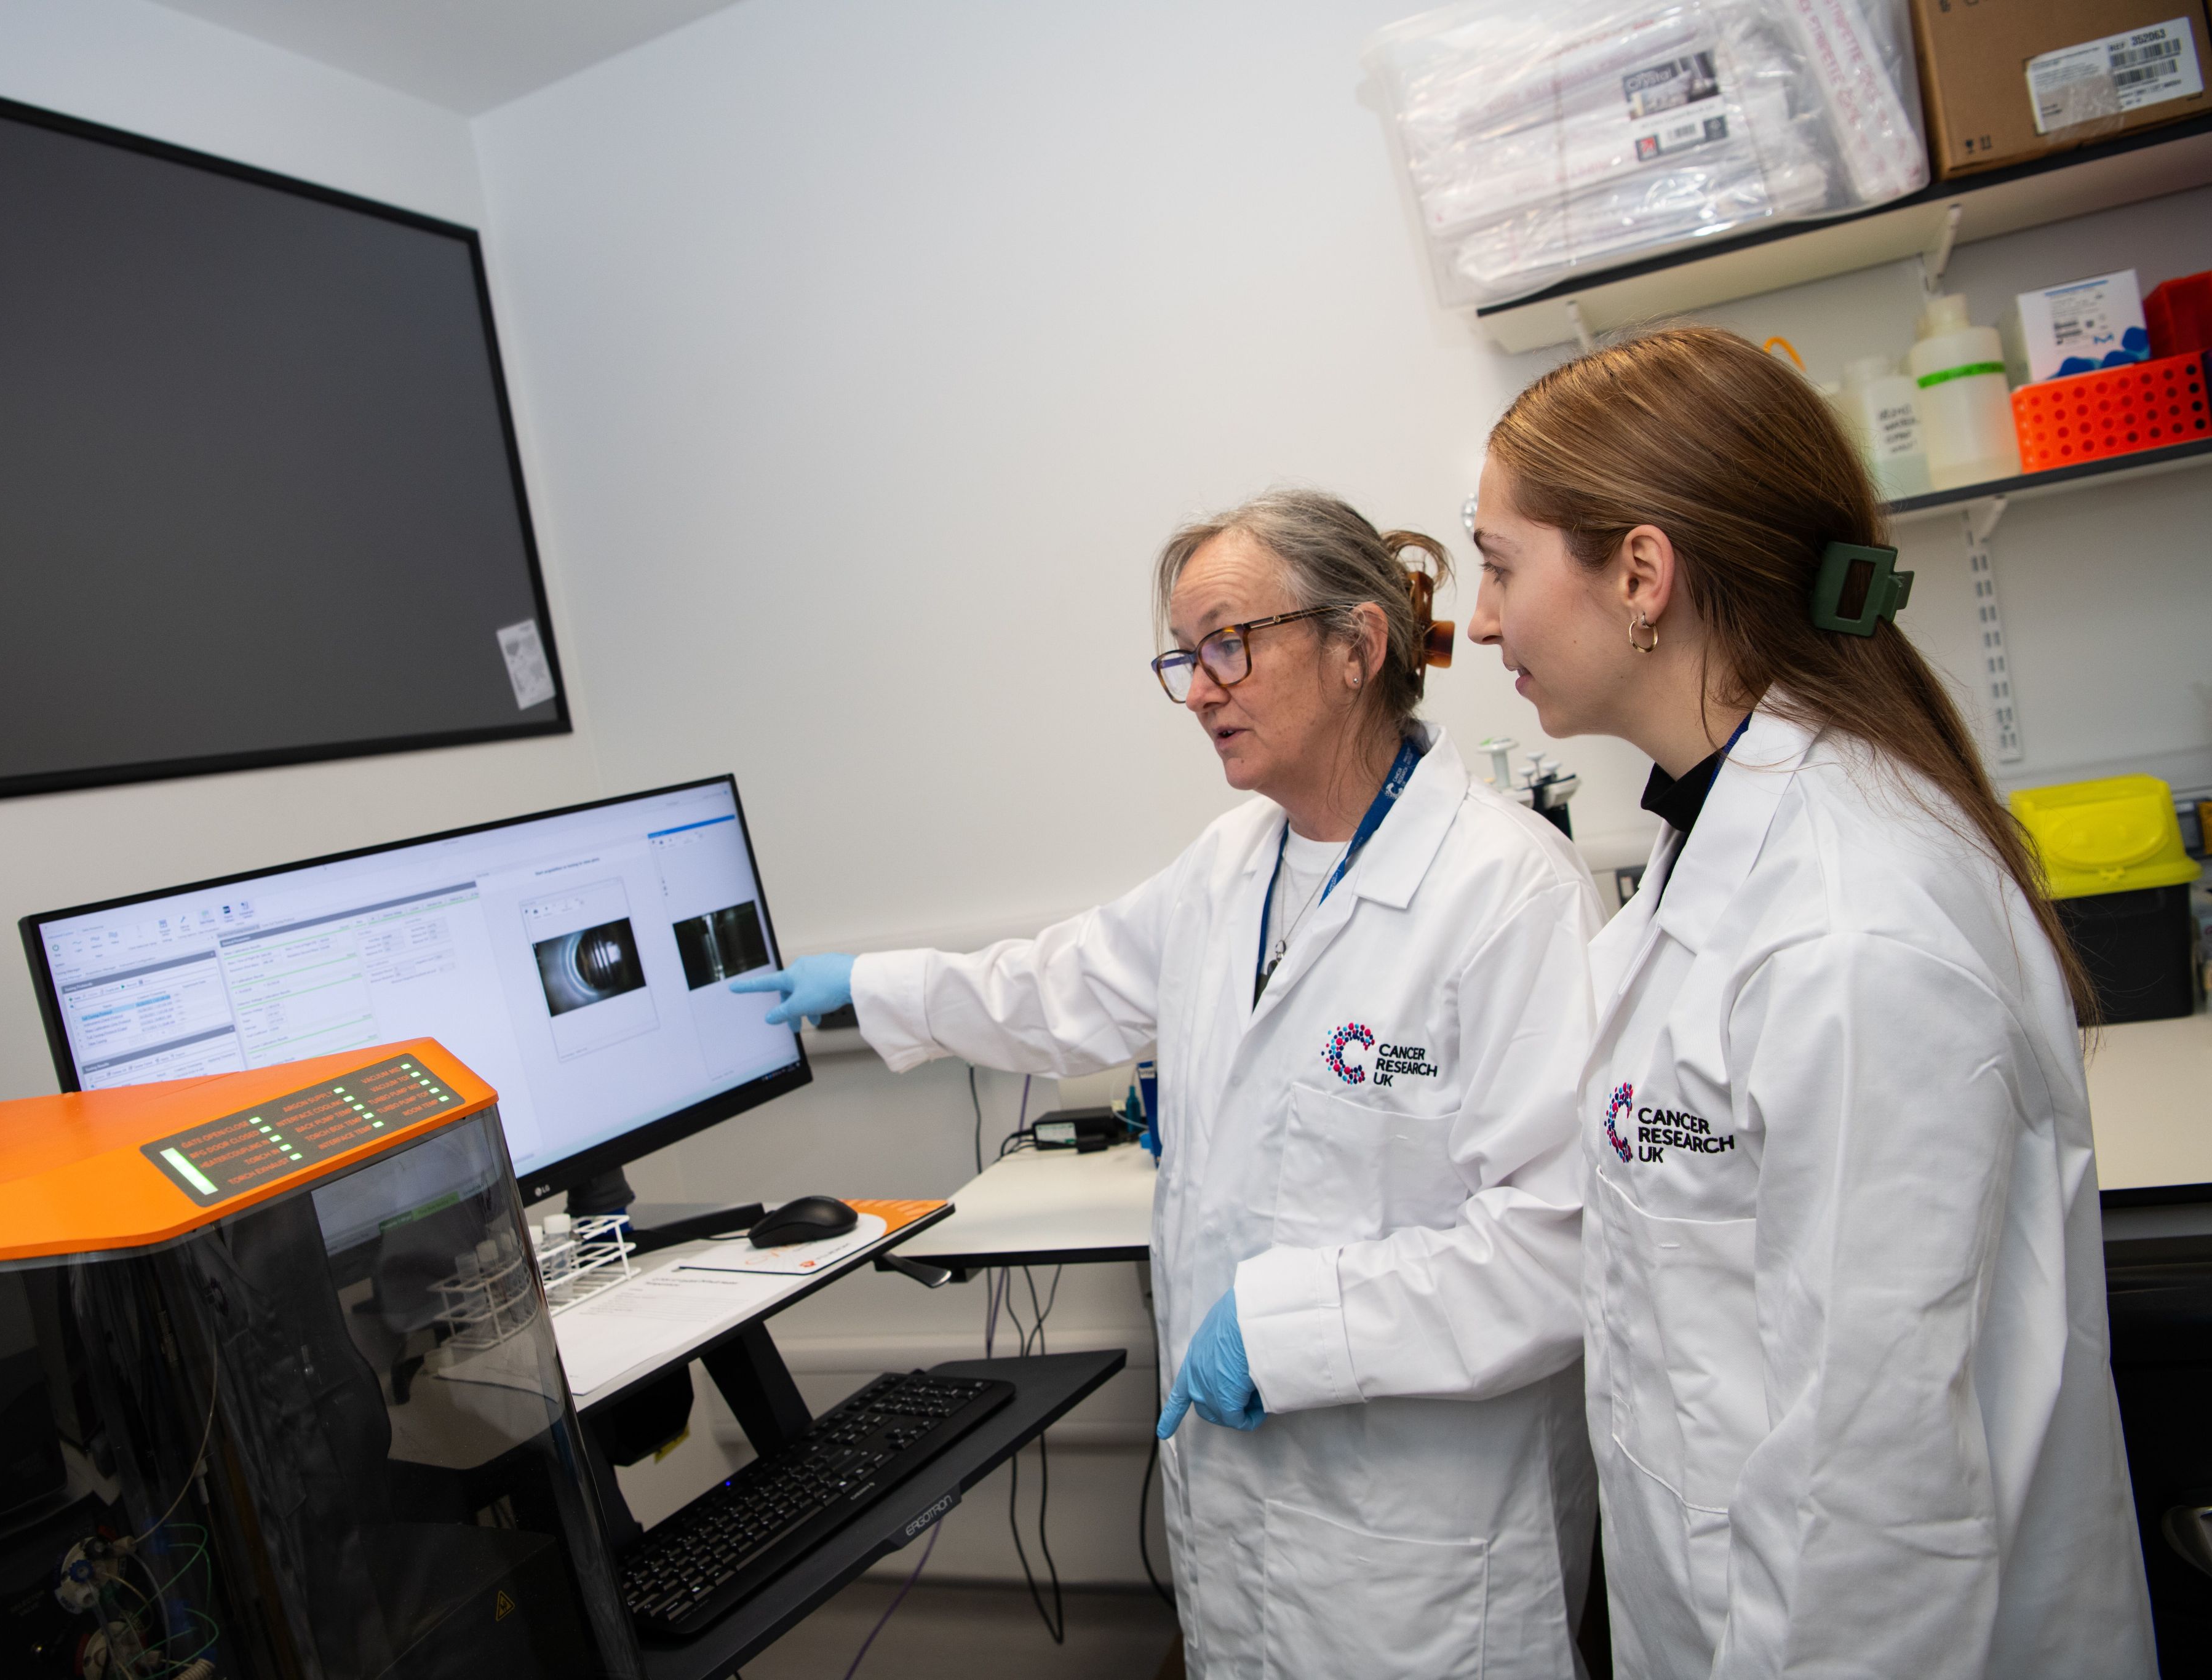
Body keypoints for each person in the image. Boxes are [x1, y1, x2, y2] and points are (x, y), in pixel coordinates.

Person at [739, 490, 1605, 1678]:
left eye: (1228, 646)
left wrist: (1295, 1326)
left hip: (1421, 1545)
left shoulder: (1509, 892)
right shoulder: (1230, 863)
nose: (1199, 690)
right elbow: (1058, 984)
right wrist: (870, 986)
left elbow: (1553, 1247)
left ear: (1357, 646)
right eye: (1184, 657)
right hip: (1242, 1513)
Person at [1468, 325, 2155, 1679]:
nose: (1480, 620)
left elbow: (1879, 1506)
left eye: (1496, 566)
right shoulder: (1715, 836)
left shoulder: (1849, 926)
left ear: (1640, 572)